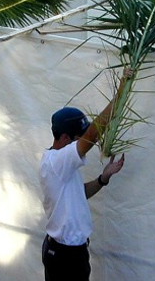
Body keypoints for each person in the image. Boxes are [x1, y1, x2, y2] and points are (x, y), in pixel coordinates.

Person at [40, 68, 132, 281]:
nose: (84, 143)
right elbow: (93, 134)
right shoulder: (57, 161)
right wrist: (120, 94)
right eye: (78, 138)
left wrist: (103, 178)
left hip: (72, 254)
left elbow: (78, 193)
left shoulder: (62, 166)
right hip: (63, 256)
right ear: (64, 137)